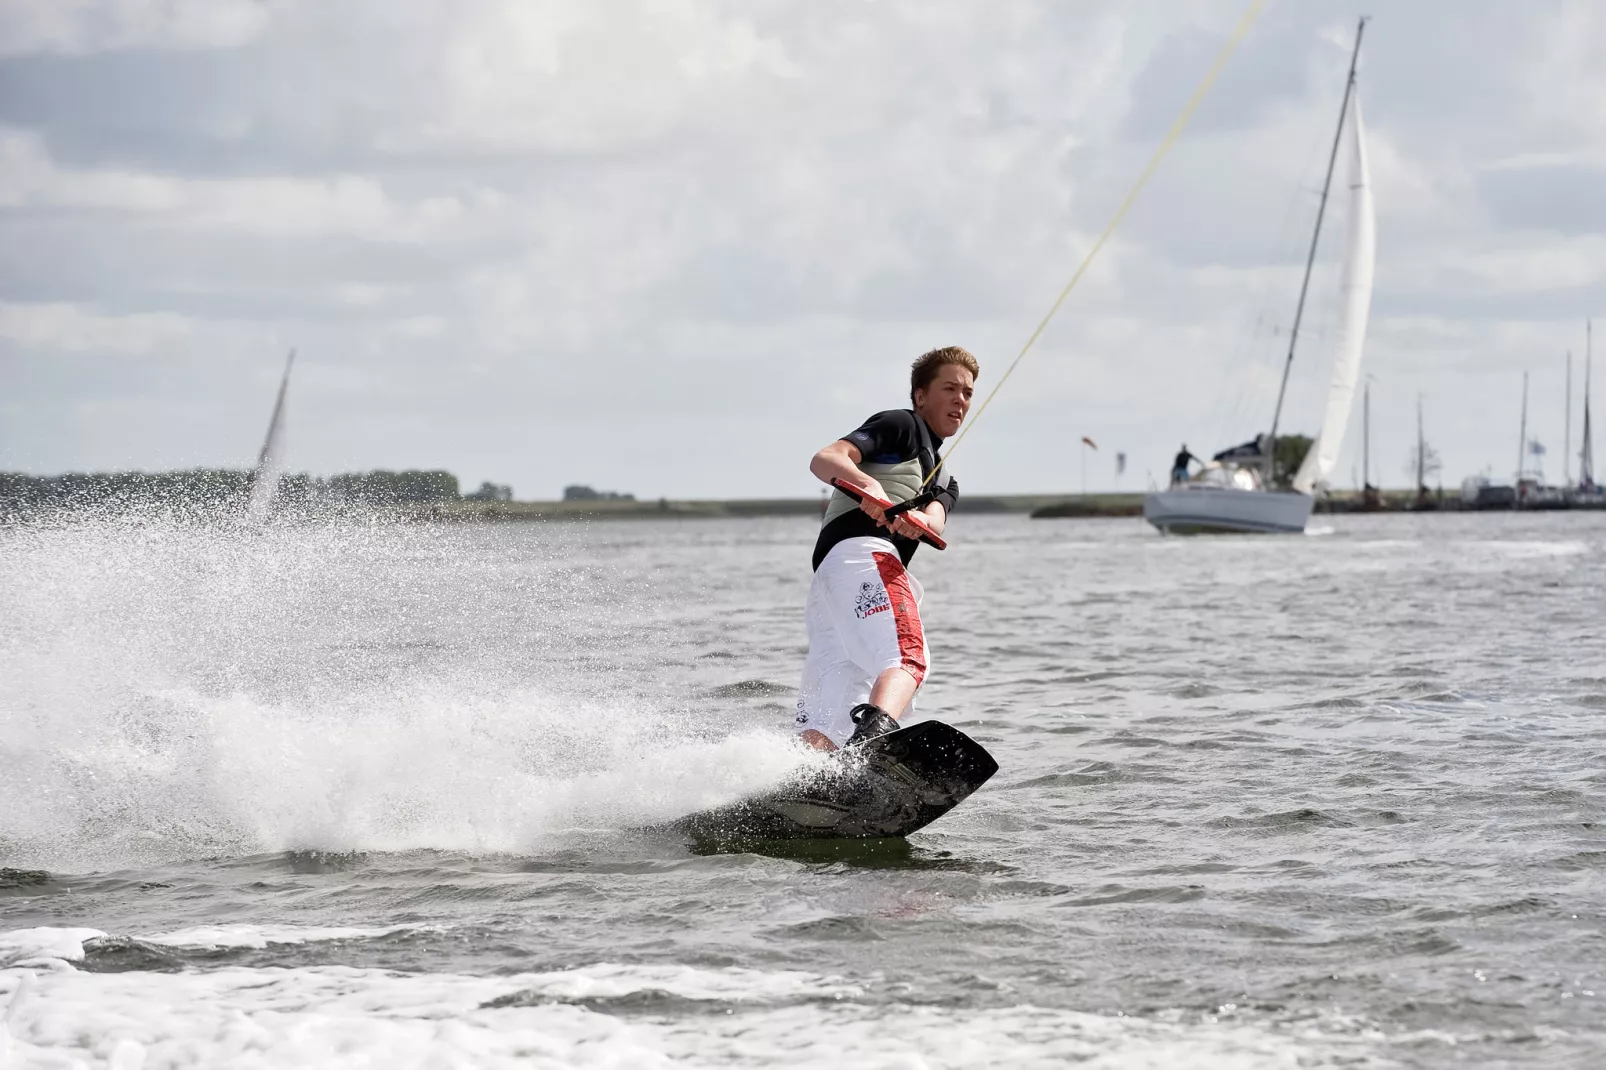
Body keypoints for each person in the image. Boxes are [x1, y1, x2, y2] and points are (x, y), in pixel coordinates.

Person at [795, 346, 976, 751]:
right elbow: (826, 459)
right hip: (862, 557)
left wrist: (917, 523)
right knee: (908, 658)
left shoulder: (946, 482)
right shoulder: (901, 426)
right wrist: (871, 489)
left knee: (834, 696)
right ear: (920, 396)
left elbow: (935, 522)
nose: (960, 400)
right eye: (950, 388)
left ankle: (812, 774)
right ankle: (872, 745)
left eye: (967, 393)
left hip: (834, 580)